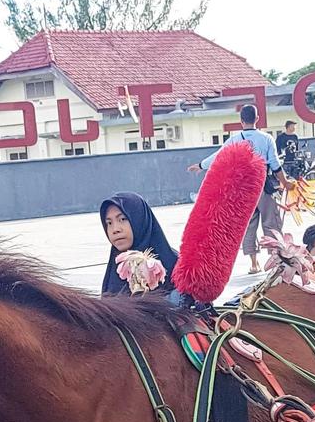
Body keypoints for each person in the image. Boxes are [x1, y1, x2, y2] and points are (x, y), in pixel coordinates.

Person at [190, 104, 283, 275]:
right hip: (263, 185)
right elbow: (275, 164)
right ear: (257, 118)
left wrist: (201, 165)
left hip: (243, 190)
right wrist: (285, 182)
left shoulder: (234, 140)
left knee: (249, 225)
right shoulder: (267, 138)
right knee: (271, 223)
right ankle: (275, 262)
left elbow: (219, 156)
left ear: (241, 121)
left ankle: (254, 264)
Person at [99, 192, 178, 296]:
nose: (115, 230)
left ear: (139, 219)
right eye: (109, 223)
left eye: (122, 219)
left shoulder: (176, 267)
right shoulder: (114, 271)